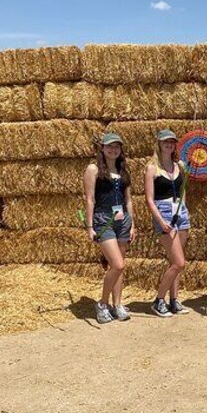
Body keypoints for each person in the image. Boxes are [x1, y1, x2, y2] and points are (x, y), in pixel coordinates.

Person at [83, 132, 136, 323]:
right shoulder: (94, 169)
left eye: (117, 147)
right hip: (103, 218)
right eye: (109, 147)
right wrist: (89, 226)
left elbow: (128, 200)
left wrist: (132, 224)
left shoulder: (123, 171)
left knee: (120, 267)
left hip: (123, 219)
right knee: (117, 264)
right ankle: (102, 303)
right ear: (103, 149)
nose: (113, 150)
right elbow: (90, 199)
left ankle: (117, 304)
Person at [144, 129, 191, 317]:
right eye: (166, 142)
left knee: (175, 260)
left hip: (180, 213)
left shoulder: (179, 165)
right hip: (163, 213)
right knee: (179, 262)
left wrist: (183, 207)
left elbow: (183, 190)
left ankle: (174, 300)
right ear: (159, 144)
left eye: (172, 142)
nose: (169, 145)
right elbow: (149, 199)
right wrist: (160, 221)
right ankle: (159, 300)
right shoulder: (151, 168)